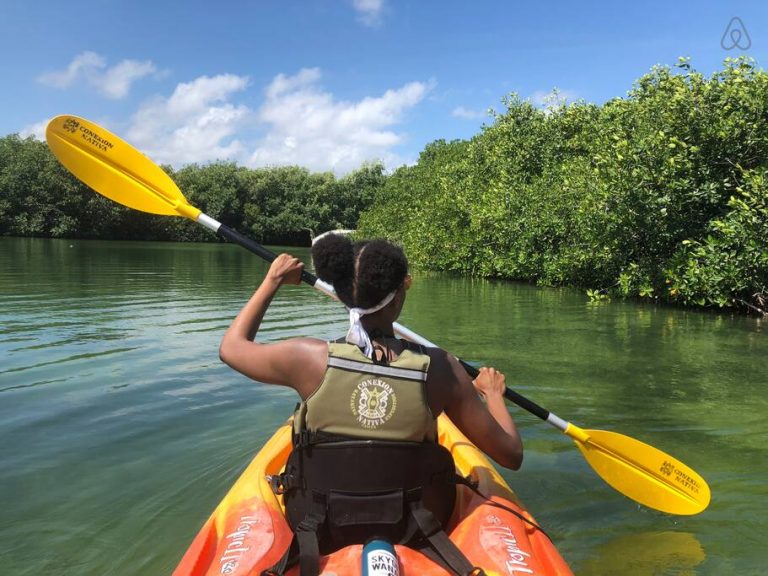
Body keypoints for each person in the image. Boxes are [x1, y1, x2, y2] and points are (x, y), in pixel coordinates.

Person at [219, 235, 522, 576]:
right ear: (398, 296)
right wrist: (493, 394)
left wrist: (272, 280)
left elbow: (231, 348)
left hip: (320, 524)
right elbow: (511, 455)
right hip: (415, 525)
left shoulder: (304, 358)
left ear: (344, 293)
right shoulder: (442, 369)